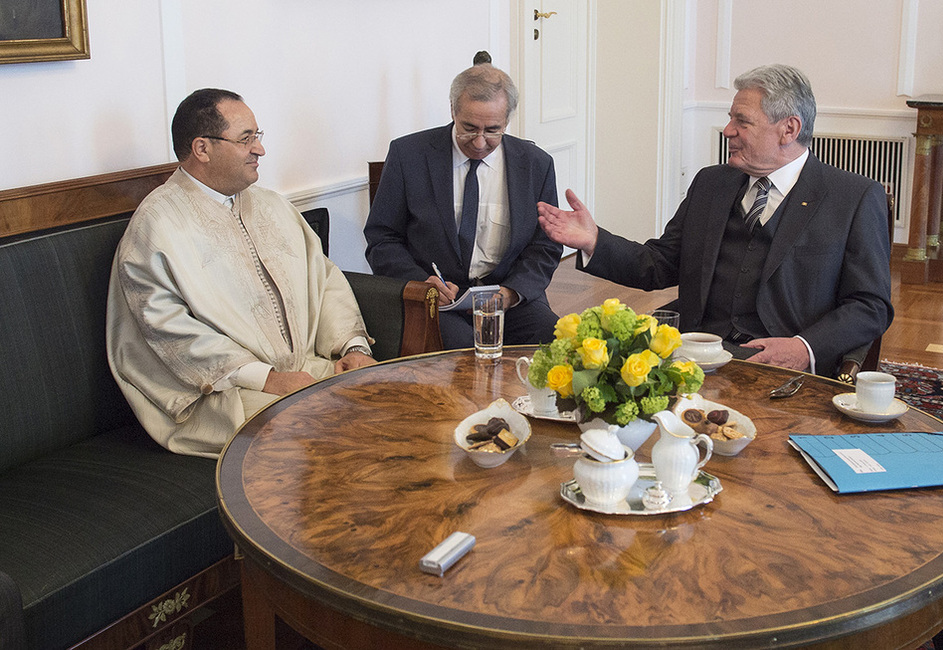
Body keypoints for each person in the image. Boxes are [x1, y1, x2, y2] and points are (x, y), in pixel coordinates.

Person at [537, 64, 894, 377]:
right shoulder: (712, 183)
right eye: (730, 118)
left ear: (789, 129)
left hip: (786, 370)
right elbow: (660, 265)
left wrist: (803, 348)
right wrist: (593, 240)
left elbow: (870, 305)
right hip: (696, 359)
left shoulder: (854, 198)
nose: (727, 130)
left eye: (742, 121)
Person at [107, 88, 376, 458]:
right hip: (221, 396)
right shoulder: (157, 226)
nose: (260, 149)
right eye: (245, 139)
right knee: (336, 427)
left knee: (385, 396)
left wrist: (352, 347)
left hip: (305, 372)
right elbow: (168, 331)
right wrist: (270, 379)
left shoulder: (271, 205)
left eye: (257, 136)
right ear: (202, 149)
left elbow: (324, 278)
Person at [364, 62, 563, 349]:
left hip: (507, 295)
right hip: (437, 299)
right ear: (453, 111)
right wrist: (421, 283)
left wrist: (511, 292)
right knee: (459, 358)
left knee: (556, 344)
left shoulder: (535, 164)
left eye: (493, 130)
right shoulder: (409, 155)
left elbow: (545, 246)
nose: (480, 142)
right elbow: (382, 238)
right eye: (469, 128)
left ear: (507, 121)